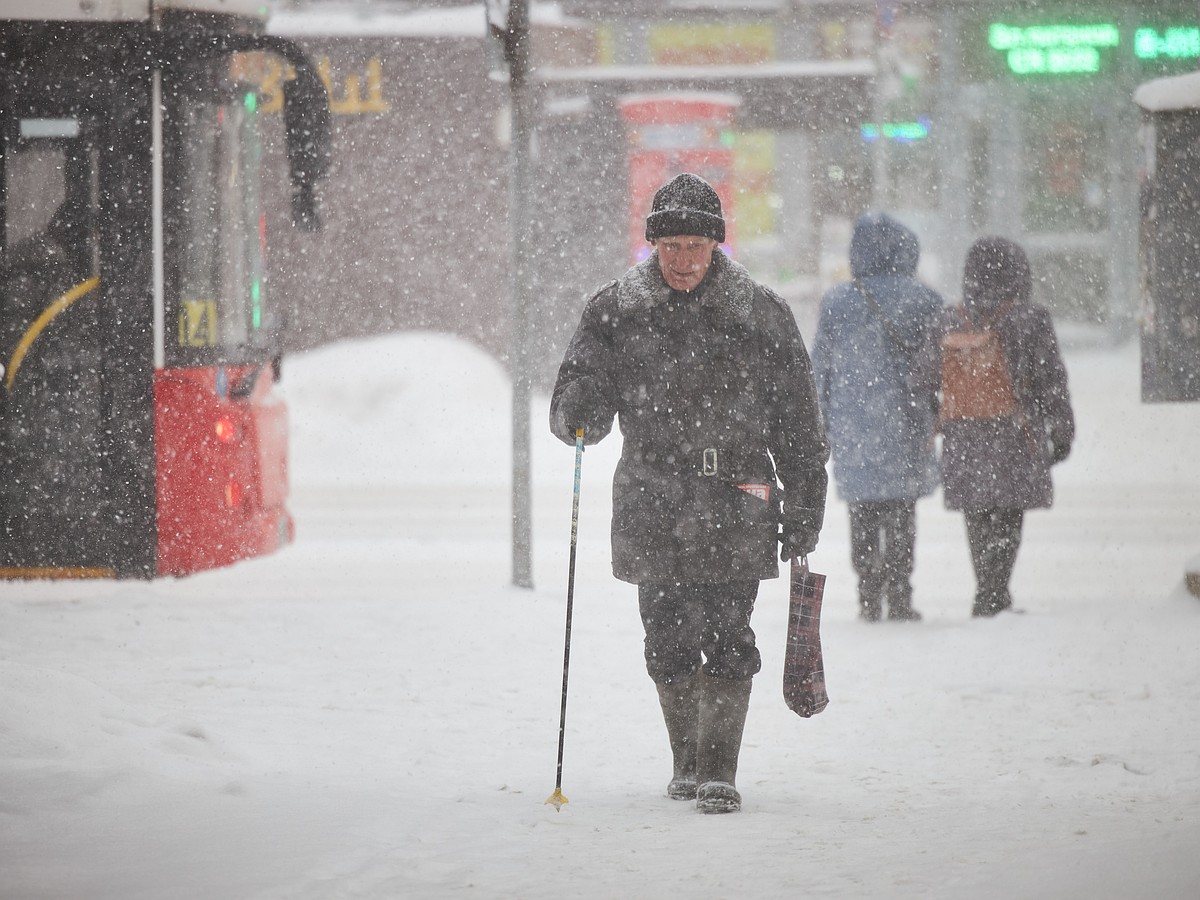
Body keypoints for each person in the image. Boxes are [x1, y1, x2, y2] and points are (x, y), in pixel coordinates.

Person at [549, 173, 829, 814]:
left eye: (693, 247)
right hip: (654, 492)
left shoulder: (760, 314)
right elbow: (578, 386)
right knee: (667, 636)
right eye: (670, 246)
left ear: (716, 247)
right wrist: (577, 412)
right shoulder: (614, 310)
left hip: (739, 492)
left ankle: (719, 769)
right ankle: (687, 761)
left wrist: (806, 497)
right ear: (654, 245)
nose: (681, 261)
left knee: (731, 629)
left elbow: (796, 421)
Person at [811, 213, 944, 622]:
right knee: (902, 512)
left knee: (862, 512)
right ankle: (901, 593)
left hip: (854, 425)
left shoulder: (837, 301)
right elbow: (940, 364)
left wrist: (820, 421)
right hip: (905, 421)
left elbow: (821, 369)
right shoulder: (924, 299)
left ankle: (868, 594)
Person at [940, 236, 1075, 617]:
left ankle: (986, 589)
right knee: (1009, 513)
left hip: (964, 435)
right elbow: (1052, 380)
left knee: (977, 514)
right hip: (1015, 432)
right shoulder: (1031, 319)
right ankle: (996, 592)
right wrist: (1062, 429)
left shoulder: (952, 319)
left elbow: (923, 377)